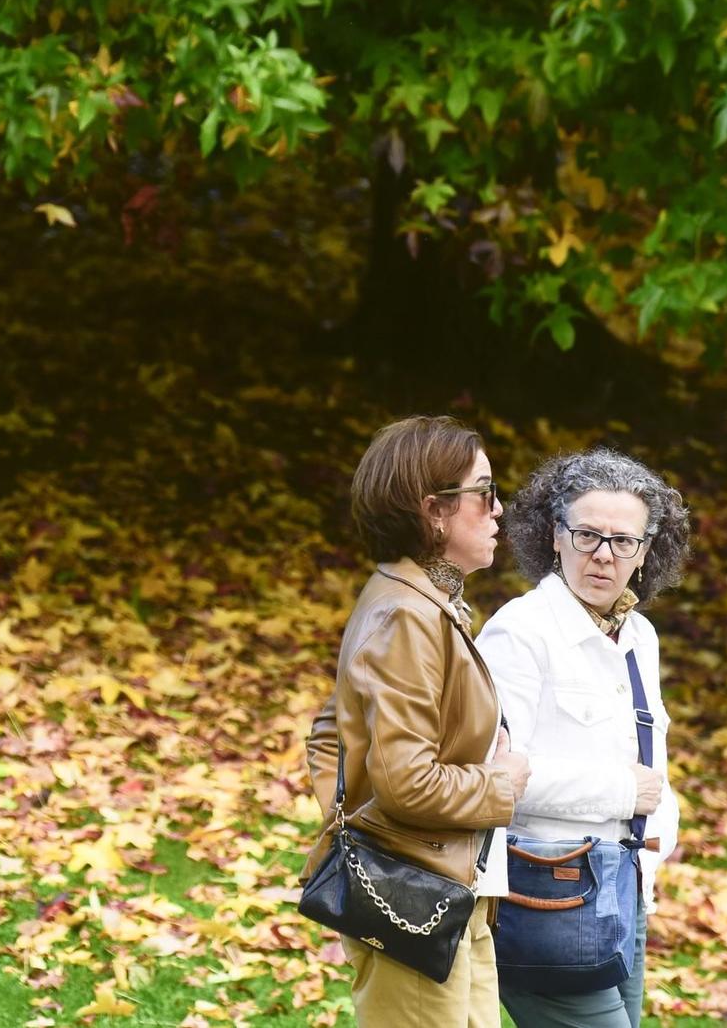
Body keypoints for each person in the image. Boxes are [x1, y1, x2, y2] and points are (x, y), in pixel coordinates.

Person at [305, 415, 532, 1028]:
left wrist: (356, 819)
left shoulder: (425, 603)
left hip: (445, 894)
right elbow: (406, 782)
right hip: (412, 896)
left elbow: (329, 733)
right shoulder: (406, 614)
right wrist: (500, 783)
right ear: (434, 511)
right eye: (484, 492)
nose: (499, 508)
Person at [474, 448, 691, 1028]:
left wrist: (657, 837)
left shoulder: (640, 635)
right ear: (554, 536)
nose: (604, 554)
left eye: (624, 541)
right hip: (544, 896)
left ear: (645, 551)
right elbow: (493, 777)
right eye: (587, 534)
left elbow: (651, 762)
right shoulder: (519, 631)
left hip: (624, 892)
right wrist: (623, 793)